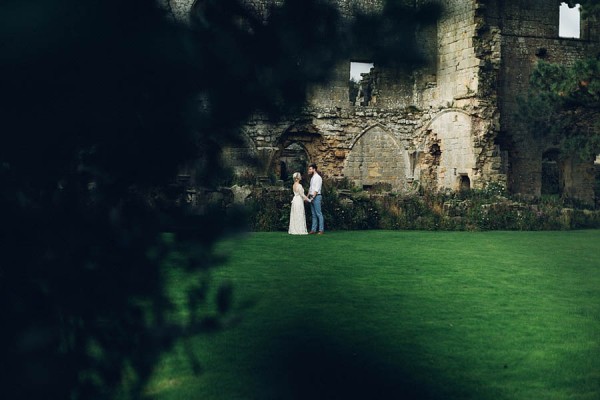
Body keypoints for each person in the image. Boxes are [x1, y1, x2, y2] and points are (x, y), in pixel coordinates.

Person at [307, 163, 324, 234]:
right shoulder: (312, 178)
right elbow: (310, 189)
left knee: (318, 214)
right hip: (311, 197)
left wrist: (312, 197)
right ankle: (313, 230)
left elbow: (316, 189)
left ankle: (321, 230)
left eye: (310, 169)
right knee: (313, 214)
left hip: (316, 197)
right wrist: (307, 197)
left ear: (314, 169)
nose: (309, 170)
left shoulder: (318, 178)